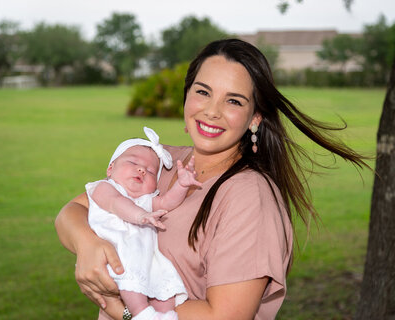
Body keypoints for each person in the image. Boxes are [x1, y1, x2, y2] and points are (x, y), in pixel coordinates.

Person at [55, 38, 368, 320]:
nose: (212, 111)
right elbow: (75, 210)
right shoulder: (159, 163)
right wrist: (87, 245)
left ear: (255, 118)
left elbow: (225, 316)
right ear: (187, 96)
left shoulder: (249, 197)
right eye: (203, 92)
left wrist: (121, 309)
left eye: (233, 101)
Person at [86, 127, 201, 320]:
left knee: (164, 286)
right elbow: (116, 203)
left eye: (150, 171)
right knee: (130, 278)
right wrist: (140, 216)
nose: (141, 169)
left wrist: (181, 186)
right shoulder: (104, 188)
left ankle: (166, 315)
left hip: (145, 257)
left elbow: (166, 202)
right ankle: (142, 314)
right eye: (133, 162)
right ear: (110, 169)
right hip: (117, 255)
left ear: (155, 186)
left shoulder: (144, 199)